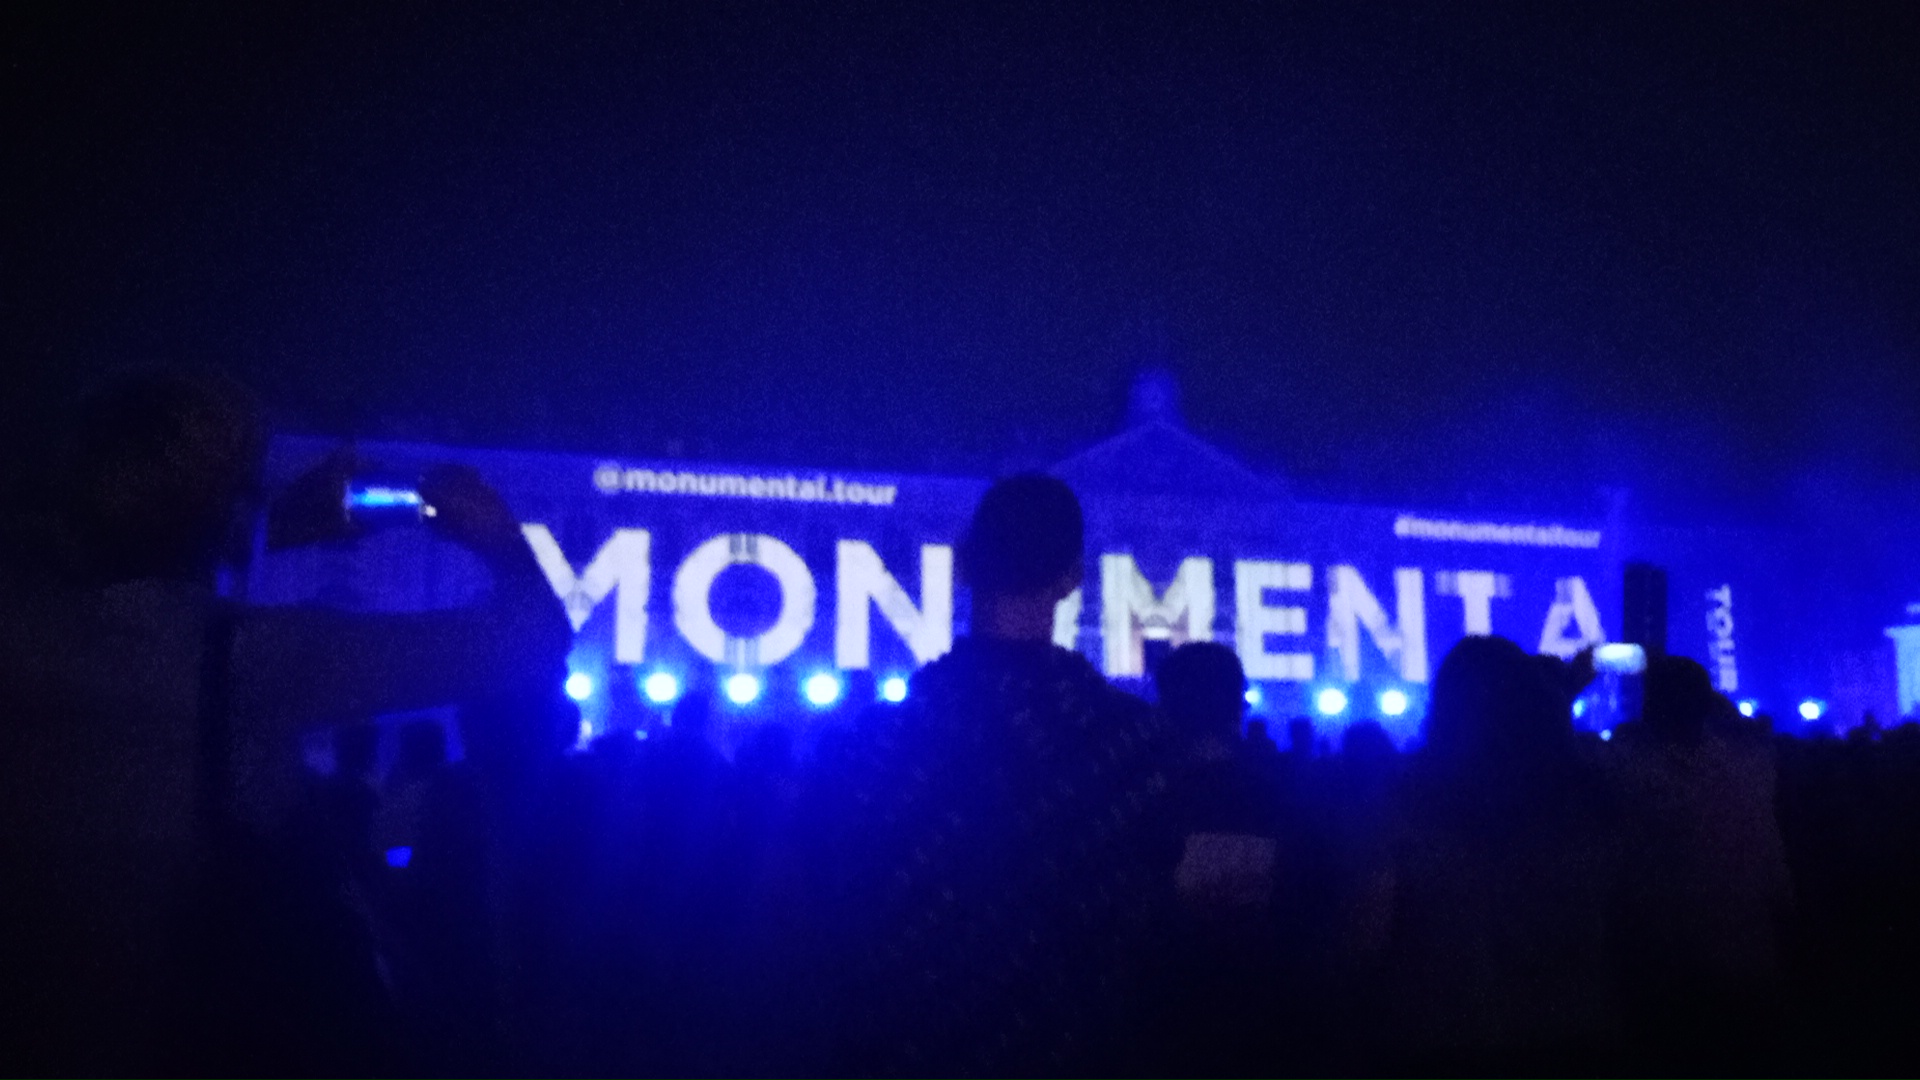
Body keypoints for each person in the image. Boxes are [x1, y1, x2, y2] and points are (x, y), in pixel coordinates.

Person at [0, 372, 571, 1078]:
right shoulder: (250, 657)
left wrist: (266, 527)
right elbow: (530, 639)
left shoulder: (22, 632)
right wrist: (496, 535)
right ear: (228, 507)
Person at [811, 473, 1174, 1080]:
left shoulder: (880, 743)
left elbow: (832, 924)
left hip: (915, 1049)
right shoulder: (1135, 743)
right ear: (1072, 579)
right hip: (1080, 1047)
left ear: (963, 566)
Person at [1367, 635, 1621, 1077]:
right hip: (1568, 1031)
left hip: (1443, 1037)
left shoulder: (1408, 798)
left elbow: (1369, 932)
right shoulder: (1586, 795)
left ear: (1447, 705)